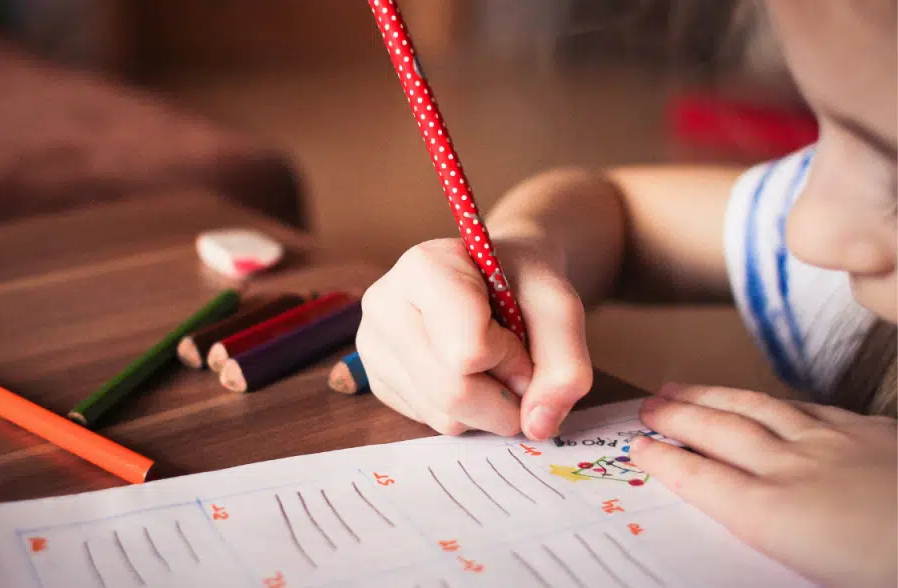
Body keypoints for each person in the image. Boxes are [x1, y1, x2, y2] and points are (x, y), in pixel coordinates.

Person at [354, 0, 896, 586]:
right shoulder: (842, 248)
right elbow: (619, 212)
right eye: (825, 131)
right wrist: (527, 250)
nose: (804, 228)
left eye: (894, 168)